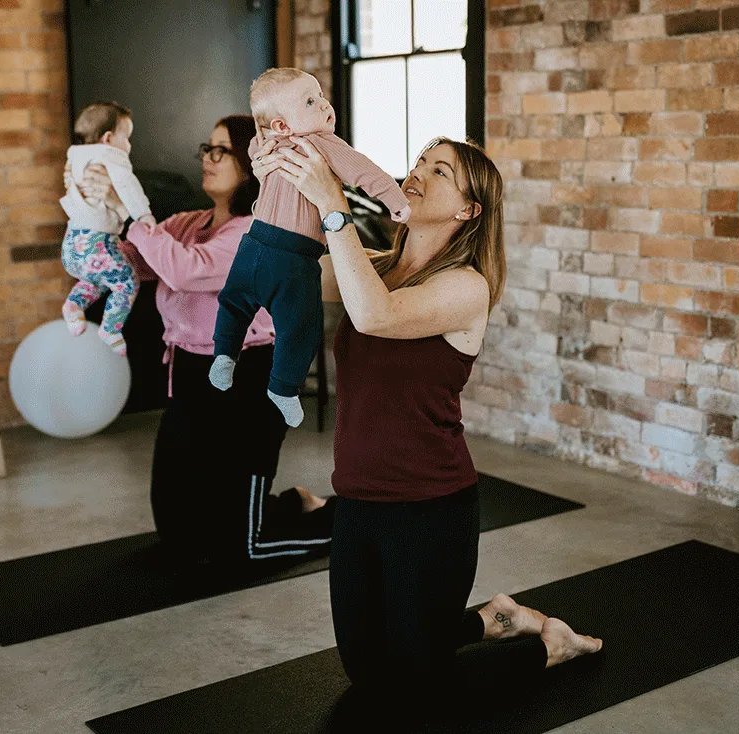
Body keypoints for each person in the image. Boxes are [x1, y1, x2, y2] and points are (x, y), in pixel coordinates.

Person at [254, 135, 602, 718]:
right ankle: (493, 618)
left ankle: (548, 645)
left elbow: (374, 316)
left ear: (470, 211)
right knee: (367, 673)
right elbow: (278, 273)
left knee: (414, 692)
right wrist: (279, 180)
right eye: (419, 161)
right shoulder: (374, 266)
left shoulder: (466, 288)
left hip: (431, 508)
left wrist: (333, 202)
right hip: (360, 500)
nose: (417, 173)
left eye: (439, 171)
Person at [71, 115, 334, 567]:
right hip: (191, 376)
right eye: (206, 149)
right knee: (178, 529)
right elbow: (140, 260)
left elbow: (184, 269)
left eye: (221, 151)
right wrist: (97, 221)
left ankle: (355, 522)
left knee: (242, 549)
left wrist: (133, 215)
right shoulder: (189, 222)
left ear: (252, 163)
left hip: (249, 384)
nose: (208, 160)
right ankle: (293, 503)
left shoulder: (257, 232)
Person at [210, 68, 409, 427]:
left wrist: (263, 132)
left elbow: (255, 145)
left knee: (234, 302)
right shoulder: (322, 144)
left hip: (252, 246)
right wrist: (397, 203)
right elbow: (365, 172)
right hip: (294, 258)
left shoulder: (266, 146)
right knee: (300, 326)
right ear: (284, 126)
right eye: (310, 101)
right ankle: (283, 388)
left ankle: (224, 354)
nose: (324, 105)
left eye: (320, 96)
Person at [59, 101, 156, 355]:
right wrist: (143, 214)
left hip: (71, 248)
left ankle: (74, 305)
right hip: (97, 244)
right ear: (109, 138)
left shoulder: (76, 156)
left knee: (96, 279)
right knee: (127, 281)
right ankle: (111, 328)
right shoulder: (111, 155)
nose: (129, 146)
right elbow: (128, 187)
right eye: (128, 138)